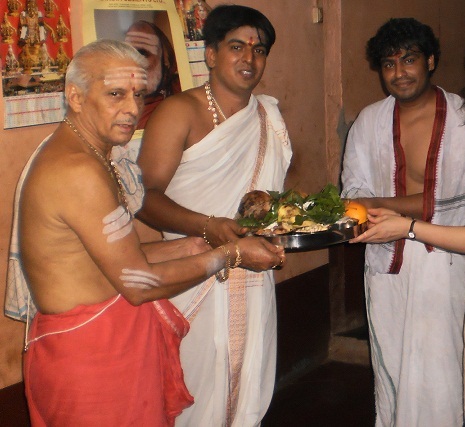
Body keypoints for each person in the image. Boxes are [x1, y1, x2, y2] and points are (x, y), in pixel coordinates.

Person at [12, 39, 285, 426]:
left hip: (103, 344)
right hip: (91, 358)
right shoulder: (78, 171)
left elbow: (111, 260)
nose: (132, 109)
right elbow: (138, 283)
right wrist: (232, 255)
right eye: (115, 94)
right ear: (75, 96)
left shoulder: (90, 154)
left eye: (139, 94)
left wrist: (191, 245)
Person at [137, 5, 292, 426]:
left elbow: (264, 201)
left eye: (259, 50)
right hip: (193, 276)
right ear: (210, 55)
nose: (249, 59)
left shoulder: (268, 117)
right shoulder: (178, 112)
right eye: (236, 47)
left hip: (254, 275)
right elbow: (144, 198)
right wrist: (209, 226)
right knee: (195, 390)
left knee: (249, 385)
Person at [341, 18, 465, 426]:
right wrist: (367, 210)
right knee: (392, 362)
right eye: (389, 64)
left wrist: (380, 205)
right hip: (386, 260)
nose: (399, 73)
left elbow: (448, 199)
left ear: (430, 60)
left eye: (409, 60)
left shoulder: (461, 122)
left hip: (445, 260)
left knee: (440, 369)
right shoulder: (368, 122)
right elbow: (351, 194)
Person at [125, 20, 181, 129]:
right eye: (128, 55)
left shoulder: (180, 91)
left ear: (165, 58)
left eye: (142, 54)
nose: (134, 64)